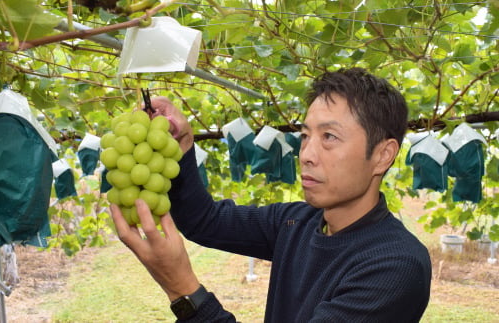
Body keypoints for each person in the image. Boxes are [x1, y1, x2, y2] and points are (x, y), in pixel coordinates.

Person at [110, 67, 432, 322]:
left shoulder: (396, 266)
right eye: (305, 136)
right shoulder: (295, 223)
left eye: (329, 136)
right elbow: (204, 220)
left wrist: (183, 291)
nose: (306, 154)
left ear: (383, 155)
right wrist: (183, 147)